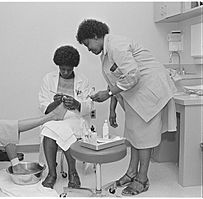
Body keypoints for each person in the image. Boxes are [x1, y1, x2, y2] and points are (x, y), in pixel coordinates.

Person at [76, 19, 177, 196]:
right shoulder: (106, 53)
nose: (88, 49)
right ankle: (131, 173)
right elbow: (116, 81)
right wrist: (112, 109)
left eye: (87, 44)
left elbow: (132, 75)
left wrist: (107, 95)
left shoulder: (116, 46)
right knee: (134, 135)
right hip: (137, 95)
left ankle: (142, 179)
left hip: (150, 92)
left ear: (95, 36)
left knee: (144, 139)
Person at [38, 45, 93, 189]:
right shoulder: (48, 79)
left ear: (74, 67)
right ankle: (53, 173)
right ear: (58, 66)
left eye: (69, 69)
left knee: (54, 130)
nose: (66, 72)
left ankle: (72, 172)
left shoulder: (83, 80)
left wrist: (76, 103)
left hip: (75, 118)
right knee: (49, 129)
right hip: (54, 118)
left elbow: (89, 105)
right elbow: (44, 106)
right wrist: (55, 102)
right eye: (63, 69)